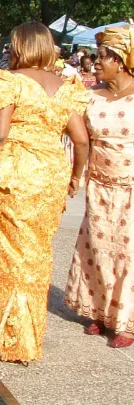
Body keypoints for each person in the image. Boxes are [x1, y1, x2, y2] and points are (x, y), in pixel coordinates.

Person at [0, 21, 90, 364]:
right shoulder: (65, 86)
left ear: (18, 47)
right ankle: (27, 336)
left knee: (8, 257)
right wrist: (74, 177)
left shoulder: (10, 82)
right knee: (36, 256)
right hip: (51, 177)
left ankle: (9, 339)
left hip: (15, 175)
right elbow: (81, 139)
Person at [64, 25, 134, 348]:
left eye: (103, 57)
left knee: (128, 252)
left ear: (119, 60)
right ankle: (99, 313)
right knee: (97, 248)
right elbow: (78, 138)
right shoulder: (91, 96)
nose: (96, 63)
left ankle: (125, 323)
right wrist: (73, 175)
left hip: (130, 187)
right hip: (100, 185)